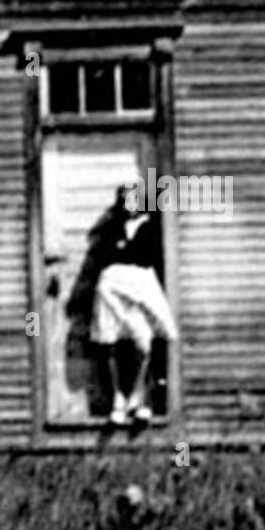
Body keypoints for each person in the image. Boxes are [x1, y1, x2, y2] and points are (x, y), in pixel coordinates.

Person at [67, 183, 177, 427]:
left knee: (145, 341)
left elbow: (144, 255)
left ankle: (139, 398)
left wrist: (125, 250)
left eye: (134, 200)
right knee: (110, 341)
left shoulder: (151, 226)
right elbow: (103, 256)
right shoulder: (111, 228)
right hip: (112, 285)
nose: (130, 205)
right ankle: (119, 399)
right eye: (126, 200)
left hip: (140, 285)